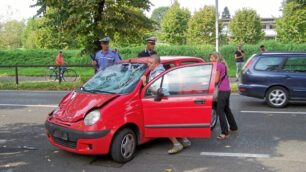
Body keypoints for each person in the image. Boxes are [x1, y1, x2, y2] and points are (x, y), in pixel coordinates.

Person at [141, 54, 191, 154]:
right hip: (165, 99)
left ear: (157, 64)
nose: (148, 64)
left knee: (164, 125)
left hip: (162, 100)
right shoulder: (155, 71)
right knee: (172, 123)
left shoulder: (158, 73)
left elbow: (160, 91)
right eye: (148, 62)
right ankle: (185, 140)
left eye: (151, 63)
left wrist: (145, 85)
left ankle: (176, 144)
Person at [209, 52, 238, 140]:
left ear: (216, 58)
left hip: (222, 91)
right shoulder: (223, 64)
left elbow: (216, 80)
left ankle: (224, 133)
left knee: (220, 111)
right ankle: (233, 127)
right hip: (227, 90)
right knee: (226, 109)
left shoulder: (218, 65)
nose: (210, 60)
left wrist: (207, 83)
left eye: (211, 58)